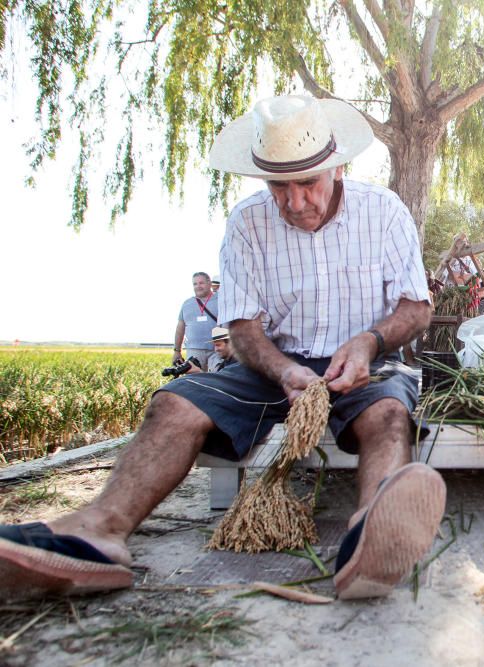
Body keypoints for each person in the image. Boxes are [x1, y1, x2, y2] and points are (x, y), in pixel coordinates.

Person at [0, 94, 444, 602]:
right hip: (273, 365)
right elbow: (242, 328)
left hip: (368, 362)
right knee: (174, 403)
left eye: (307, 183)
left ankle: (370, 537)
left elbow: (416, 308)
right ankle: (97, 533)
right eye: (279, 186)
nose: (294, 203)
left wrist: (369, 341)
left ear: (338, 167)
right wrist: (281, 369)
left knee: (387, 413)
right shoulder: (247, 222)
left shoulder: (384, 213)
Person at [173, 272, 219, 370]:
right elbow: (180, 328)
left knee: (217, 381)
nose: (198, 286)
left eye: (201, 283)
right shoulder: (187, 304)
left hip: (217, 351)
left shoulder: (221, 300)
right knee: (195, 382)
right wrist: (177, 351)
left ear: (209, 283)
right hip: (194, 351)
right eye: (195, 284)